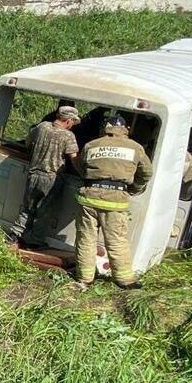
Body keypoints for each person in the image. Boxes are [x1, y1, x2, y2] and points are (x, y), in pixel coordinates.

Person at [71, 115, 151, 290]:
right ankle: (125, 280)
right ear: (126, 129)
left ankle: (85, 279)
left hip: (88, 197)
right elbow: (146, 173)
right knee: (116, 240)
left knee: (86, 239)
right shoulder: (135, 148)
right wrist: (134, 188)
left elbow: (82, 168)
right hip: (115, 201)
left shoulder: (91, 145)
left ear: (106, 128)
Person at [15, 105, 80, 246]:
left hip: (33, 174)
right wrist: (83, 173)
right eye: (73, 122)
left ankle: (16, 235)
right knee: (43, 212)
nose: (73, 126)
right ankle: (35, 241)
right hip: (52, 178)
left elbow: (27, 143)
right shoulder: (68, 136)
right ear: (68, 120)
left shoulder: (41, 127)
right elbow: (74, 159)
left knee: (27, 209)